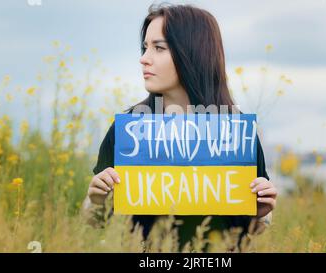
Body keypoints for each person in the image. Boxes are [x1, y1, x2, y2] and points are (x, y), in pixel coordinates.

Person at [81, 3, 277, 249]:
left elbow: (254, 228)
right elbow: (92, 222)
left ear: (192, 53)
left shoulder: (235, 132)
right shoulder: (129, 130)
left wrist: (261, 212)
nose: (144, 59)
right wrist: (96, 200)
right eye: (145, 48)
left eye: (158, 48)